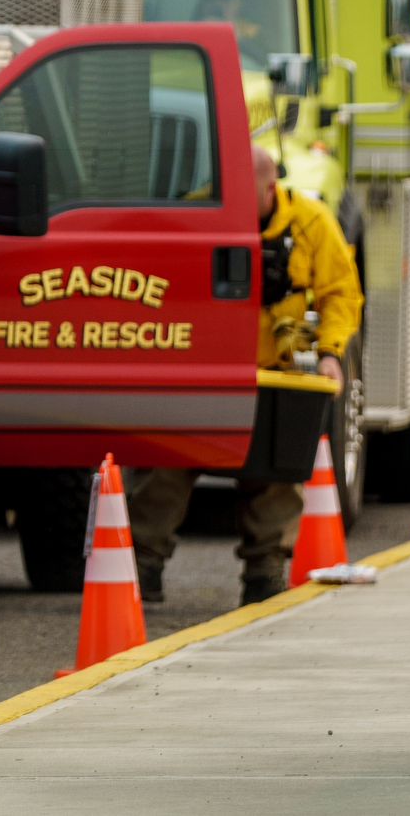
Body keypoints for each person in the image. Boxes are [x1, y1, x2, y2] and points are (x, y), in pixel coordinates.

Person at [128, 145, 363, 605]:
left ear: (270, 188)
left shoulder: (311, 222)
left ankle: (265, 572)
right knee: (166, 469)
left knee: (275, 475)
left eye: (244, 195)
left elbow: (341, 293)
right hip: (204, 373)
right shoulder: (196, 210)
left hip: (276, 374)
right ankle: (140, 567)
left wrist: (331, 352)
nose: (232, 205)